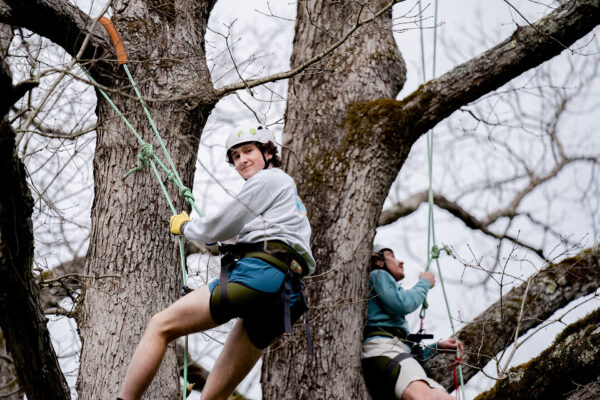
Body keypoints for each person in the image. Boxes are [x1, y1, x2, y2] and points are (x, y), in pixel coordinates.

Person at [117, 126, 315, 400]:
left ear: (268, 152)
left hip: (259, 277)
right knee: (212, 397)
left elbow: (221, 224)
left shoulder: (268, 180)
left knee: (160, 326)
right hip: (287, 297)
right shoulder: (287, 197)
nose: (242, 160)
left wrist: (187, 227)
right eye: (235, 156)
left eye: (248, 151)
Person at [361, 246, 462, 400]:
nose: (400, 262)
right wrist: (424, 283)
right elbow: (404, 303)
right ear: (378, 261)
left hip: (388, 354)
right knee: (427, 396)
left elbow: (404, 349)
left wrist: (437, 348)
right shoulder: (378, 274)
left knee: (441, 396)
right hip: (385, 350)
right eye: (392, 256)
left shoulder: (381, 292)